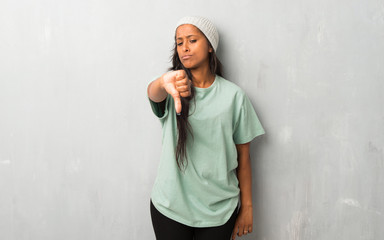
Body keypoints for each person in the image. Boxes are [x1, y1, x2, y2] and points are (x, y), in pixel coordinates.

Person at [146, 16, 265, 240]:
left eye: (192, 40)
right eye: (179, 42)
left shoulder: (234, 97)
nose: (185, 48)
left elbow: (244, 157)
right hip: (170, 207)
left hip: (218, 211)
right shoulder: (172, 88)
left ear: (210, 46)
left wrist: (247, 207)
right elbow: (153, 92)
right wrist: (163, 82)